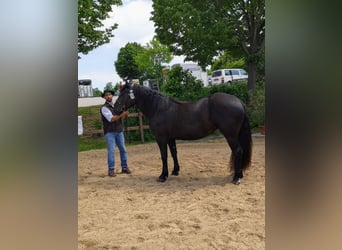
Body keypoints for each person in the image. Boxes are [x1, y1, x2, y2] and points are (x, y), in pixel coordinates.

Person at [100, 90, 132, 177]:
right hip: (110, 132)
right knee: (111, 151)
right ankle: (111, 169)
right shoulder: (104, 108)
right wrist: (123, 114)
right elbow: (111, 119)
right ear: (104, 97)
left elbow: (120, 115)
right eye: (106, 95)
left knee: (123, 150)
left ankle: (124, 167)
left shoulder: (116, 106)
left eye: (110, 94)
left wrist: (124, 113)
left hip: (119, 130)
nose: (108, 96)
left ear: (112, 96)